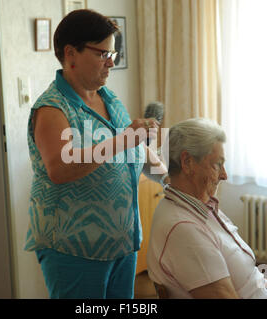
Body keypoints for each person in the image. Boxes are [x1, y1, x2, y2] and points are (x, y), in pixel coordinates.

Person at [24, 9, 168, 299]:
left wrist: (172, 182)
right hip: (74, 249)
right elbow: (61, 169)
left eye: (113, 54)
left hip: (122, 244)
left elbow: (134, 149)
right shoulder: (52, 109)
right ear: (71, 53)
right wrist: (123, 138)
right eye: (103, 54)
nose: (111, 63)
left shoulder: (108, 97)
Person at [146, 118, 267, 299]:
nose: (224, 175)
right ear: (187, 162)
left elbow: (250, 275)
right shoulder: (184, 229)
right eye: (217, 164)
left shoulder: (200, 205)